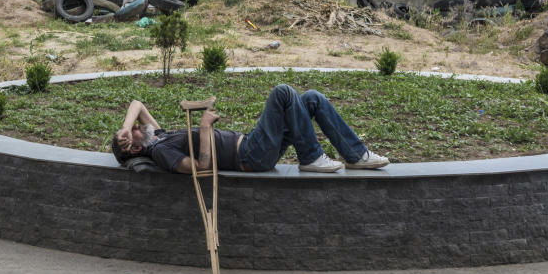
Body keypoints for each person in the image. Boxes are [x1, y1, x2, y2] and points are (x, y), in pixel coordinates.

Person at [110, 83, 389, 173]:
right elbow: (202, 167)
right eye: (133, 130)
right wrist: (205, 129)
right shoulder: (160, 151)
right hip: (250, 156)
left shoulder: (156, 135)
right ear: (136, 146)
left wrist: (124, 127)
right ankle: (311, 157)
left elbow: (137, 103)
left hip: (254, 145)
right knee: (283, 93)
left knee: (311, 99)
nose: (137, 125)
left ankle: (355, 155)